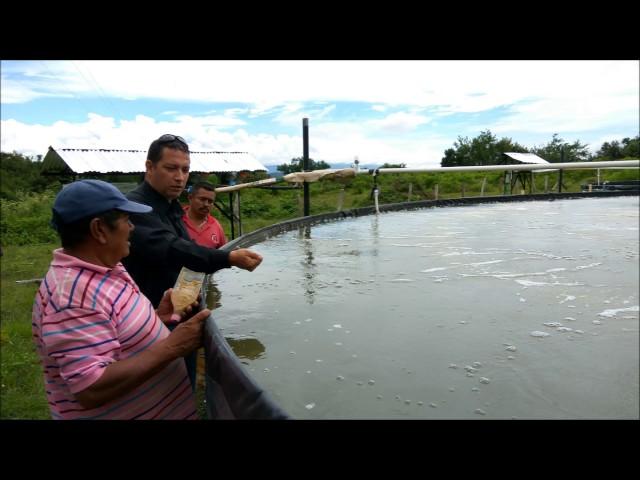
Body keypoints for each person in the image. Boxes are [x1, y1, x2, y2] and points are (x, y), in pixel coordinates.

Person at [32, 179, 210, 419]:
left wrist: (158, 318)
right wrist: (173, 347)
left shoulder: (108, 267)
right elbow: (90, 388)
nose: (133, 227)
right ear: (99, 230)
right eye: (127, 220)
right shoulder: (73, 296)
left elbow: (110, 332)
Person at [122, 134, 262, 388]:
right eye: (171, 168)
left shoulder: (171, 205)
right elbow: (173, 249)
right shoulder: (136, 207)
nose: (179, 177)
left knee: (180, 384)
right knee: (158, 388)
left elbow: (188, 254)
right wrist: (228, 257)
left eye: (185, 170)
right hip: (151, 315)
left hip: (178, 311)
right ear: (149, 167)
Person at [182, 181, 227, 249]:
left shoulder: (216, 226)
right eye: (202, 199)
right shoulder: (175, 220)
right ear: (190, 198)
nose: (206, 204)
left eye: (210, 201)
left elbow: (223, 252)